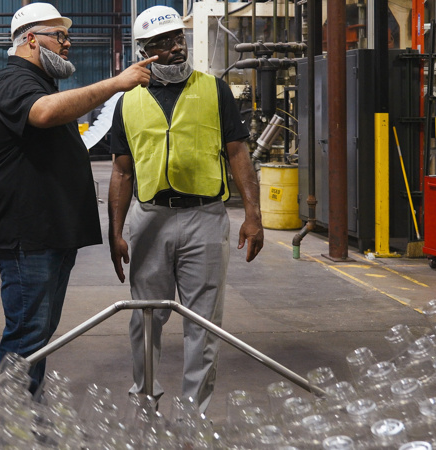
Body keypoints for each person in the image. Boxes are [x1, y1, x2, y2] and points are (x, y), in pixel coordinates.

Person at [0, 2, 156, 394]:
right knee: (28, 336)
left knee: (39, 334)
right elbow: (42, 114)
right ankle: (13, 421)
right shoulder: (12, 81)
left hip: (49, 234)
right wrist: (114, 83)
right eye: (59, 36)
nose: (67, 44)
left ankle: (22, 410)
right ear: (29, 40)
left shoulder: (39, 82)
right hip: (27, 236)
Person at [107, 5, 264, 412]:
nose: (175, 49)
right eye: (161, 43)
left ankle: (194, 412)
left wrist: (253, 215)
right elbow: (122, 172)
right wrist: (116, 231)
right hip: (149, 218)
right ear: (144, 50)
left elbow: (238, 153)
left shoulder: (214, 90)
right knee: (145, 318)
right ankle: (145, 401)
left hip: (205, 218)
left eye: (178, 39)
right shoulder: (127, 102)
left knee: (205, 324)